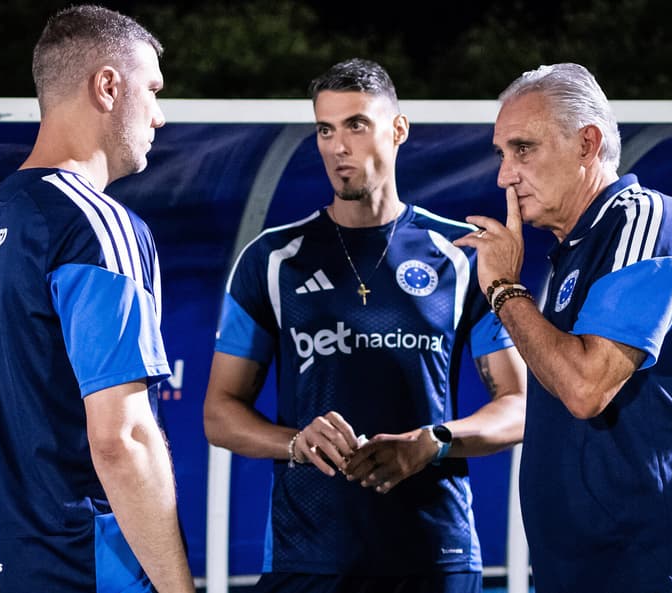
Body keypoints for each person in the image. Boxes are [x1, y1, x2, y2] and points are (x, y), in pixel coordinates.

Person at [203, 58, 527, 593]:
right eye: (325, 130)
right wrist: (295, 442)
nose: (337, 146)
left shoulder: (460, 255)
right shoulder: (273, 259)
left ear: (398, 130)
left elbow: (517, 406)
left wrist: (431, 442)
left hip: (434, 552)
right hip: (308, 556)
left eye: (356, 125)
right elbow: (219, 413)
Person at [0, 5, 194, 593]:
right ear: (107, 86)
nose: (159, 116)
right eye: (153, 91)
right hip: (78, 573)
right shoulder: (96, 225)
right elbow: (123, 439)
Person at [454, 63, 672, 592]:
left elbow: (586, 388)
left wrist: (504, 288)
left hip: (652, 569)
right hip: (584, 570)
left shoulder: (645, 218)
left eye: (523, 149)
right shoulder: (574, 251)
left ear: (587, 144)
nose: (504, 176)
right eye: (501, 154)